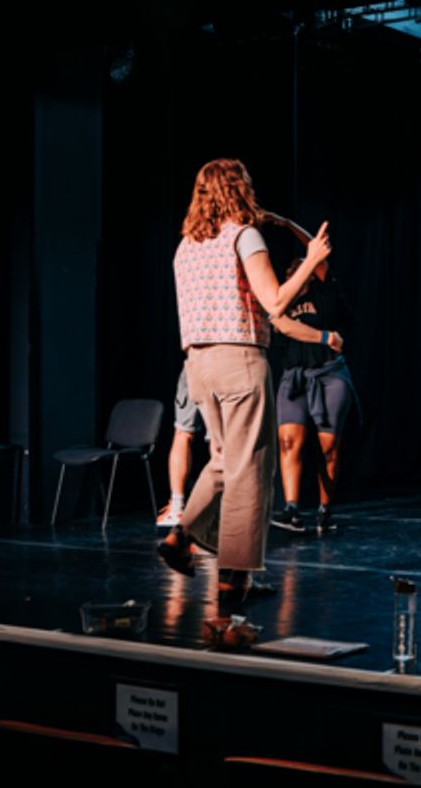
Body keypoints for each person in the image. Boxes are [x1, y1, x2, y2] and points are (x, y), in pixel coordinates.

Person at [156, 158, 331, 604]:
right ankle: (233, 582)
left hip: (198, 364)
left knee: (222, 459)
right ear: (240, 189)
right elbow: (273, 301)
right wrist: (310, 262)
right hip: (238, 357)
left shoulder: (187, 245)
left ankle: (181, 536)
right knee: (251, 469)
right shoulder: (243, 236)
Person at [265, 245, 354, 537]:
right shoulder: (280, 303)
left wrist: (291, 228)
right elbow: (283, 328)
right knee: (290, 442)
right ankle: (292, 508)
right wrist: (324, 337)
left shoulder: (324, 295)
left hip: (328, 375)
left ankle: (325, 510)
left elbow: (323, 260)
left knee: (328, 447)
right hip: (295, 378)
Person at [157, 363, 203, 528]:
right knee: (218, 439)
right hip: (218, 362)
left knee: (183, 433)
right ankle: (178, 506)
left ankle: (177, 507)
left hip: (198, 361)